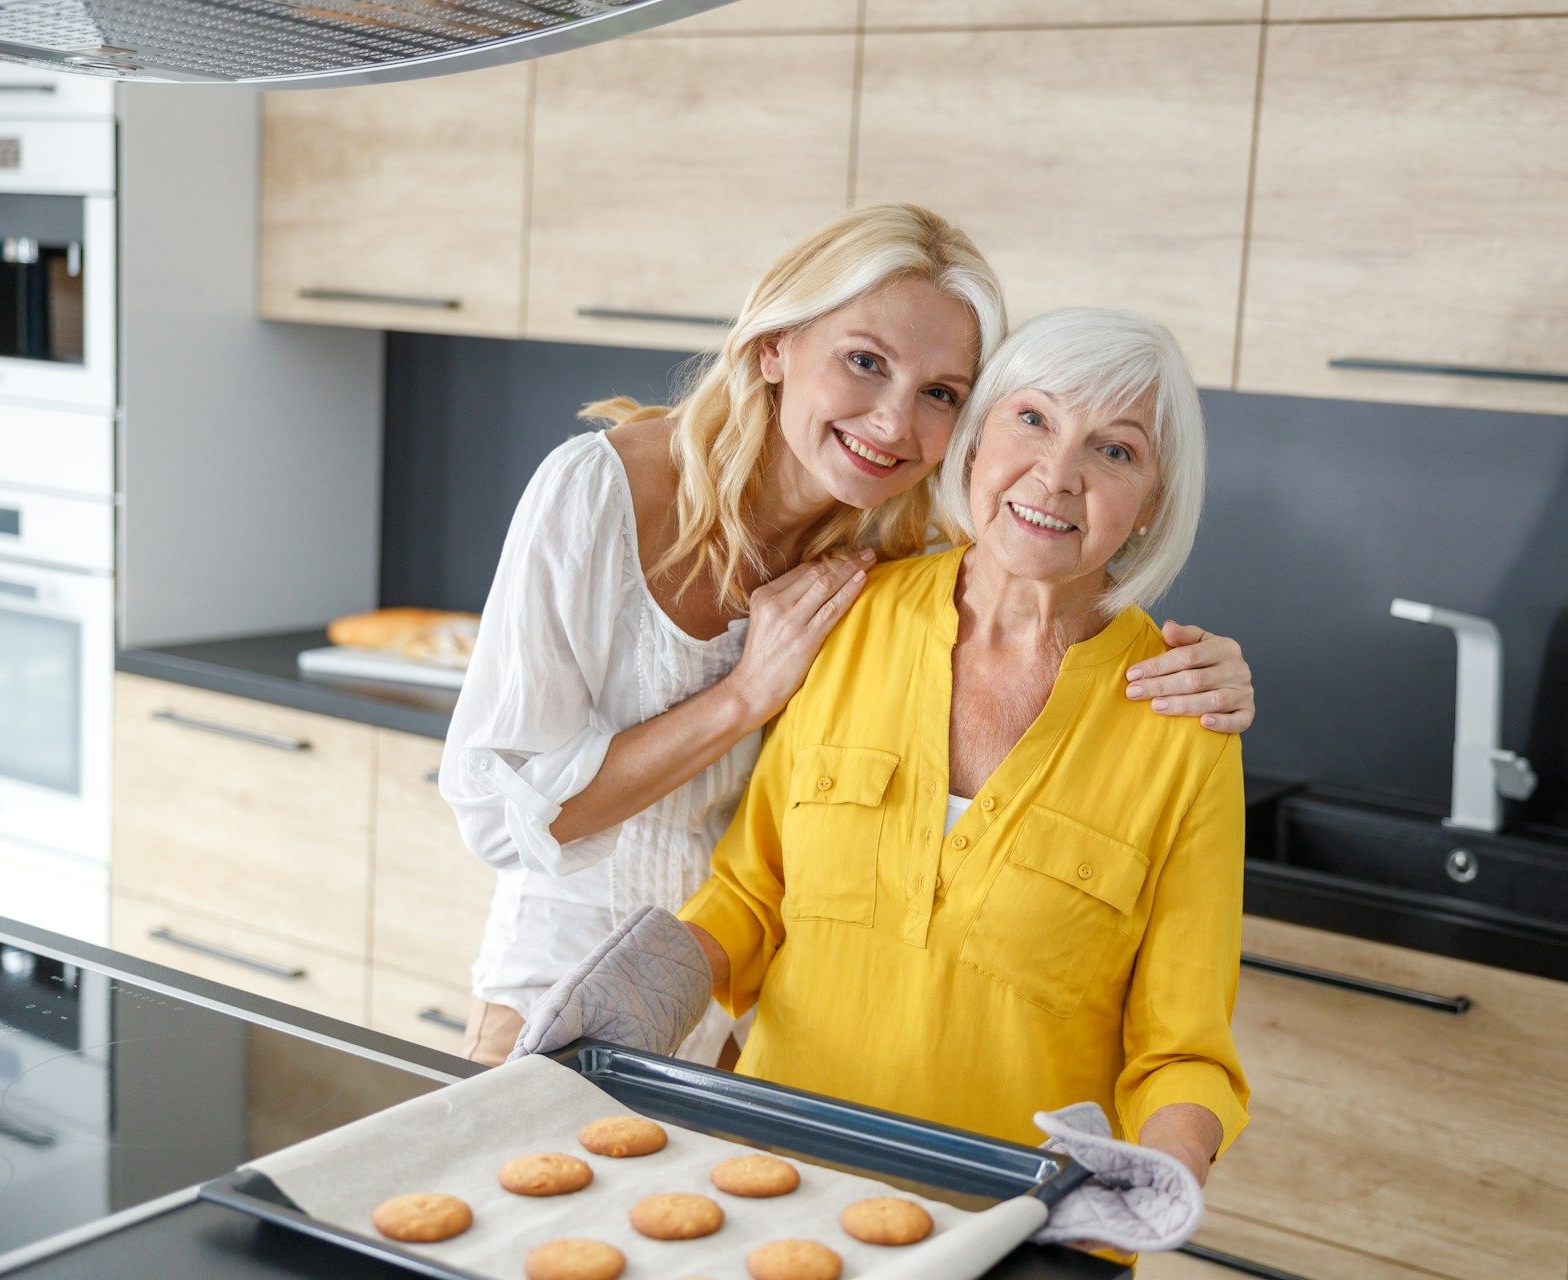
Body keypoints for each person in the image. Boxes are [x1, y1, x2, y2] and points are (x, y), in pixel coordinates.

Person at [441, 205, 1258, 1067]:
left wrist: (1218, 670)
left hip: (745, 1028)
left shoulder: (901, 544)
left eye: (939, 394)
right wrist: (745, 695)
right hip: (563, 992)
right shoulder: (600, 494)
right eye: (865, 363)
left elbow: (1057, 556)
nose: (896, 424)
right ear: (775, 345)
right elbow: (501, 820)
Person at [667, 308, 1249, 1183]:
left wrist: (1166, 1172)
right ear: (975, 439)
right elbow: (750, 900)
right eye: (1034, 419)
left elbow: (1180, 1048)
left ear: (1150, 505)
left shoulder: (1183, 721)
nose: (1056, 476)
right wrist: (634, 988)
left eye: (1115, 451)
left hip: (1015, 1223)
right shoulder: (848, 617)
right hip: (778, 1187)